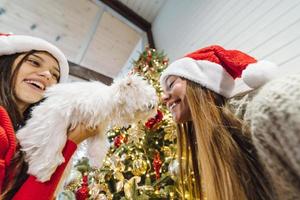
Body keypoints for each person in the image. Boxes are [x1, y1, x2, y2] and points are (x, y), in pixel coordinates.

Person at [160, 45, 278, 200]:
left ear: (199, 82)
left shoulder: (247, 112)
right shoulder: (203, 139)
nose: (163, 98)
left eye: (170, 84)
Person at [0, 33, 99, 199]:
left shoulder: (18, 141)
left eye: (55, 75)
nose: (47, 75)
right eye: (34, 62)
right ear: (5, 63)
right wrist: (69, 143)